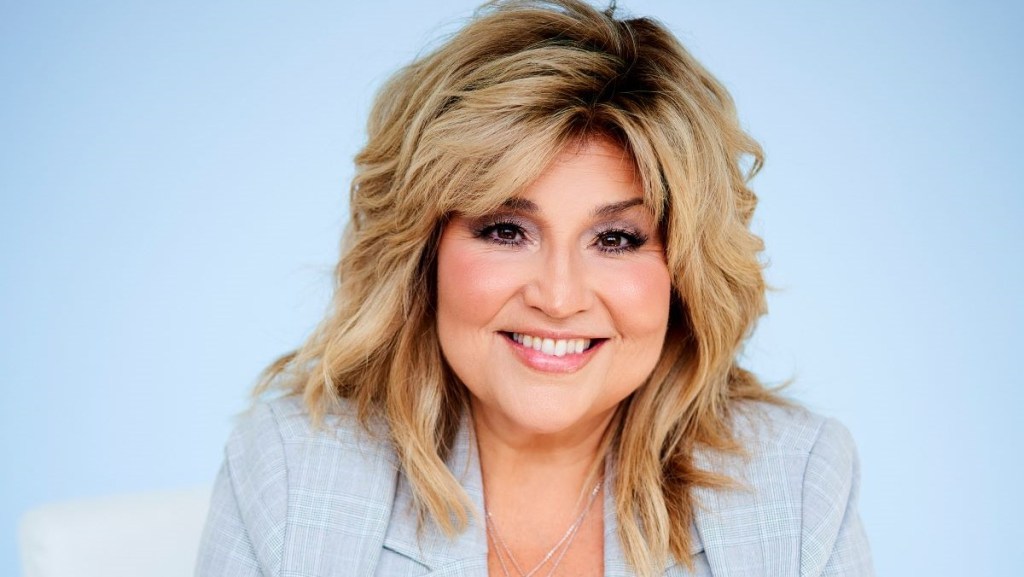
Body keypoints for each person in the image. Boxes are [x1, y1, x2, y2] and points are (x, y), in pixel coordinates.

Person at [195, 1, 873, 575]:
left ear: (684, 274)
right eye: (506, 230)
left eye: (616, 239)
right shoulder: (294, 472)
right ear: (424, 252)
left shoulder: (794, 482)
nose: (558, 295)